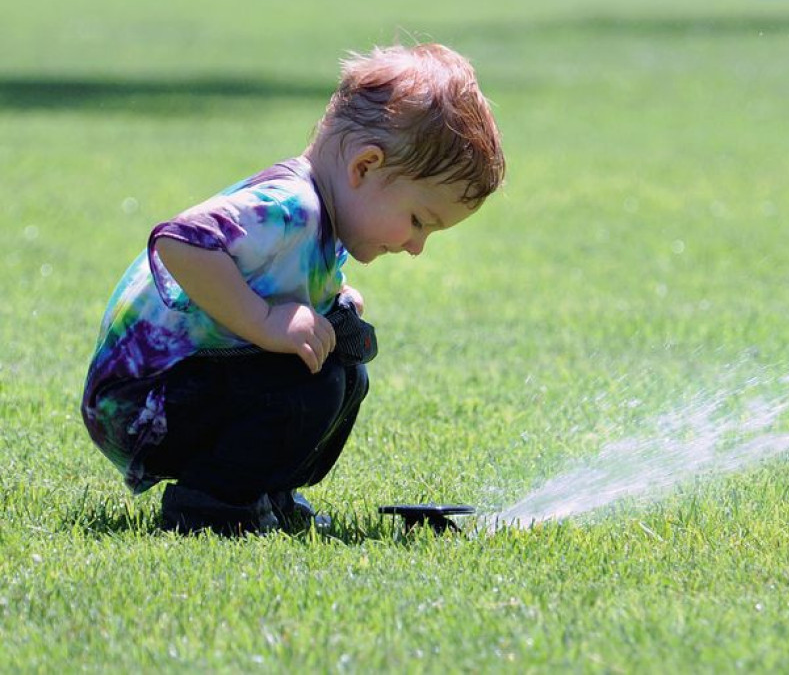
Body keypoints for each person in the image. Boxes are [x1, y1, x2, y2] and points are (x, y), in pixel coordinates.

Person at [81, 43, 505, 535]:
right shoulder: (291, 206)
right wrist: (263, 322)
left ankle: (262, 492)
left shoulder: (324, 221)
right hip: (141, 405)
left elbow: (284, 280)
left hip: (178, 393)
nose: (416, 247)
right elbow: (180, 241)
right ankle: (212, 505)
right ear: (364, 167)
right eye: (417, 221)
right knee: (310, 382)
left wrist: (333, 302)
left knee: (341, 369)